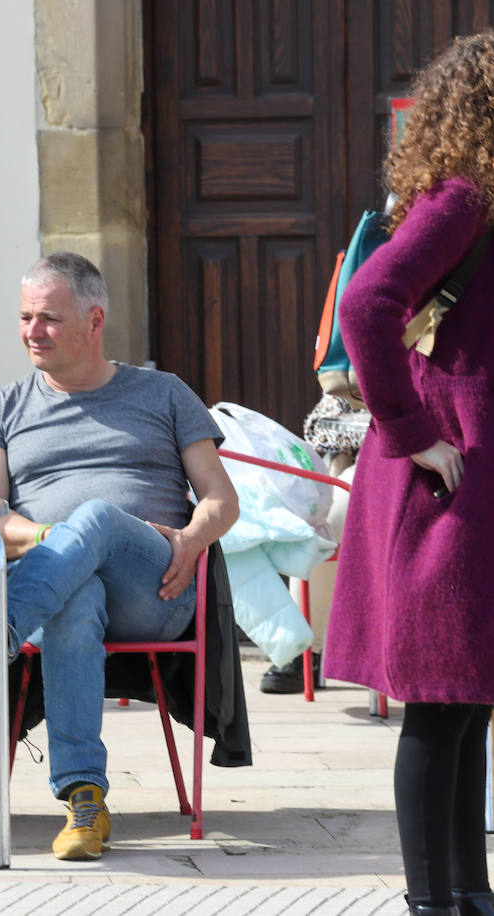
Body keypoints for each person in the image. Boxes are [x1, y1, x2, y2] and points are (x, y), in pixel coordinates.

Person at [0, 252, 238, 861]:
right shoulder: (3, 406)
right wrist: (56, 543)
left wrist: (193, 540)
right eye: (24, 317)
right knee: (77, 590)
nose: (32, 332)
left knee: (94, 518)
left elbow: (222, 500)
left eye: (48, 318)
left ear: (95, 321)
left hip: (158, 586)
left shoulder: (165, 393)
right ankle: (84, 802)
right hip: (57, 588)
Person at [326, 32, 494, 916]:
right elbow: (366, 302)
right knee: (440, 699)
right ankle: (434, 903)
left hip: (468, 480)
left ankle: (470, 893)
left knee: (469, 702)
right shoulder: (463, 196)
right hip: (446, 484)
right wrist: (411, 429)